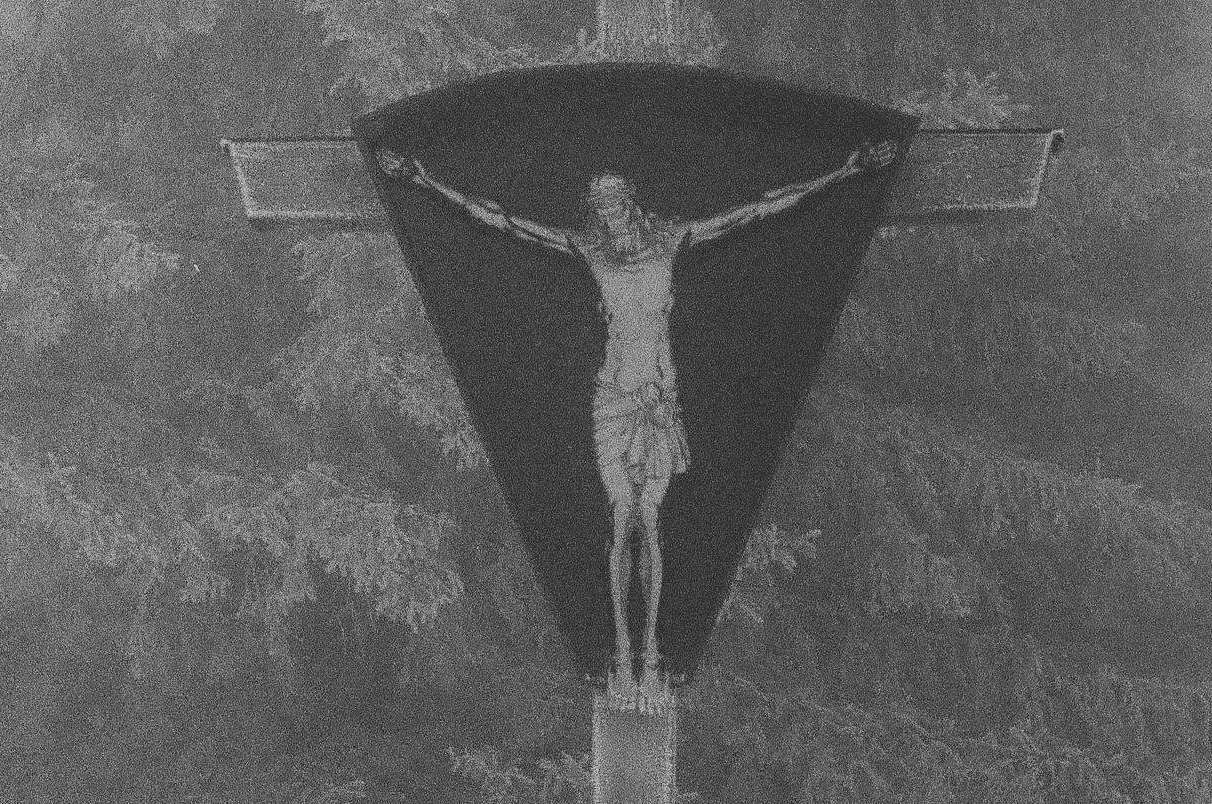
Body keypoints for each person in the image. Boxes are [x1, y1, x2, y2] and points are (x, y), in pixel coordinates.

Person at [375, 142, 898, 707]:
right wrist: (425, 182)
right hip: (613, 399)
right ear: (597, 213)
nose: (610, 214)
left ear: (631, 203)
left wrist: (844, 172)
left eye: (616, 203)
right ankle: (621, 654)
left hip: (658, 400)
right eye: (601, 207)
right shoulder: (591, 250)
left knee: (650, 522)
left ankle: (651, 653)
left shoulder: (671, 241)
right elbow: (506, 223)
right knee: (621, 518)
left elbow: (754, 211)